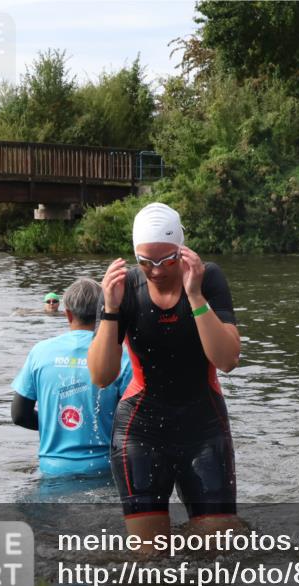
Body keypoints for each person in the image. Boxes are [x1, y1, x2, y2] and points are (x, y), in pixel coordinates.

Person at [88, 202, 241, 551]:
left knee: (219, 550)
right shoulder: (124, 287)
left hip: (203, 427)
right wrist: (110, 309)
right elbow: (101, 375)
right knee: (149, 557)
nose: (156, 271)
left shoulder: (207, 277)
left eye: (167, 260)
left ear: (181, 249)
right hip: (140, 431)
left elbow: (227, 359)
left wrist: (195, 295)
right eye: (146, 261)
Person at [11, 279, 132, 477]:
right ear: (104, 313)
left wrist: (59, 427)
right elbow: (134, 419)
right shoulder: (122, 355)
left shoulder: (40, 352)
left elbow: (19, 415)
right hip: (106, 468)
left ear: (67, 314)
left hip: (52, 469)